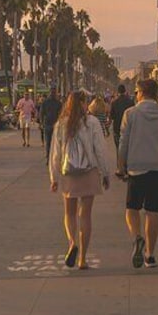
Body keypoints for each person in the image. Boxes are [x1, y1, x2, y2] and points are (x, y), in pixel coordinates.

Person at [117, 79, 158, 269]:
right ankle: (150, 255)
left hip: (136, 168)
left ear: (142, 93)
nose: (135, 95)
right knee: (152, 212)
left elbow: (123, 143)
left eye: (136, 92)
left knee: (132, 209)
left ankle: (137, 238)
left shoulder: (131, 114)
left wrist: (120, 165)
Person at [49, 90, 110, 270]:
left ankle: (72, 243)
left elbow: (55, 153)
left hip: (69, 173)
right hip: (89, 172)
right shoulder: (92, 123)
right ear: (84, 104)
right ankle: (82, 258)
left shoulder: (61, 124)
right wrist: (105, 173)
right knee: (86, 215)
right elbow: (100, 150)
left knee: (69, 213)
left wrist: (54, 177)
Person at [108, 84, 134, 151]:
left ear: (118, 92)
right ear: (125, 91)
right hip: (128, 128)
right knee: (128, 149)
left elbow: (112, 116)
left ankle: (119, 160)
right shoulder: (130, 102)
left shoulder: (114, 102)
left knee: (118, 149)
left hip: (117, 128)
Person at [40, 86, 63, 160]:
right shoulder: (46, 102)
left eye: (54, 91)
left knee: (51, 142)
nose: (53, 93)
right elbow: (41, 113)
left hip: (54, 124)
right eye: (52, 91)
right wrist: (41, 123)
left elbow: (61, 114)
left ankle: (50, 157)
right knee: (50, 142)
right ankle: (49, 157)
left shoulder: (58, 103)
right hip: (48, 124)